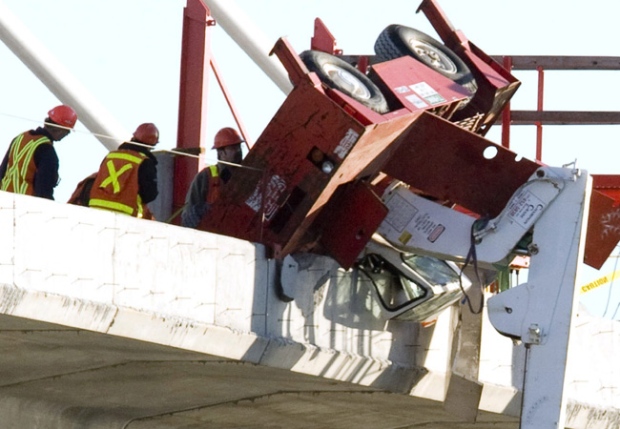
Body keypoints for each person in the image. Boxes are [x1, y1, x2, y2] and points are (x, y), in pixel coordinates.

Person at [0, 104, 78, 200]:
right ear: (61, 130)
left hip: (4, 202)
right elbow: (43, 189)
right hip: (25, 206)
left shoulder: (20, 138)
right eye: (68, 131)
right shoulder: (47, 151)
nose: (67, 135)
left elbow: (2, 171)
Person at [88, 122, 160, 218]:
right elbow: (149, 194)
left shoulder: (111, 156)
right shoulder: (145, 162)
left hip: (96, 208)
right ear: (151, 145)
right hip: (124, 212)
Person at [181, 127, 244, 228]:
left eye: (239, 147)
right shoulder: (204, 177)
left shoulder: (249, 176)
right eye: (232, 148)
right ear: (221, 152)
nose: (238, 151)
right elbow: (189, 214)